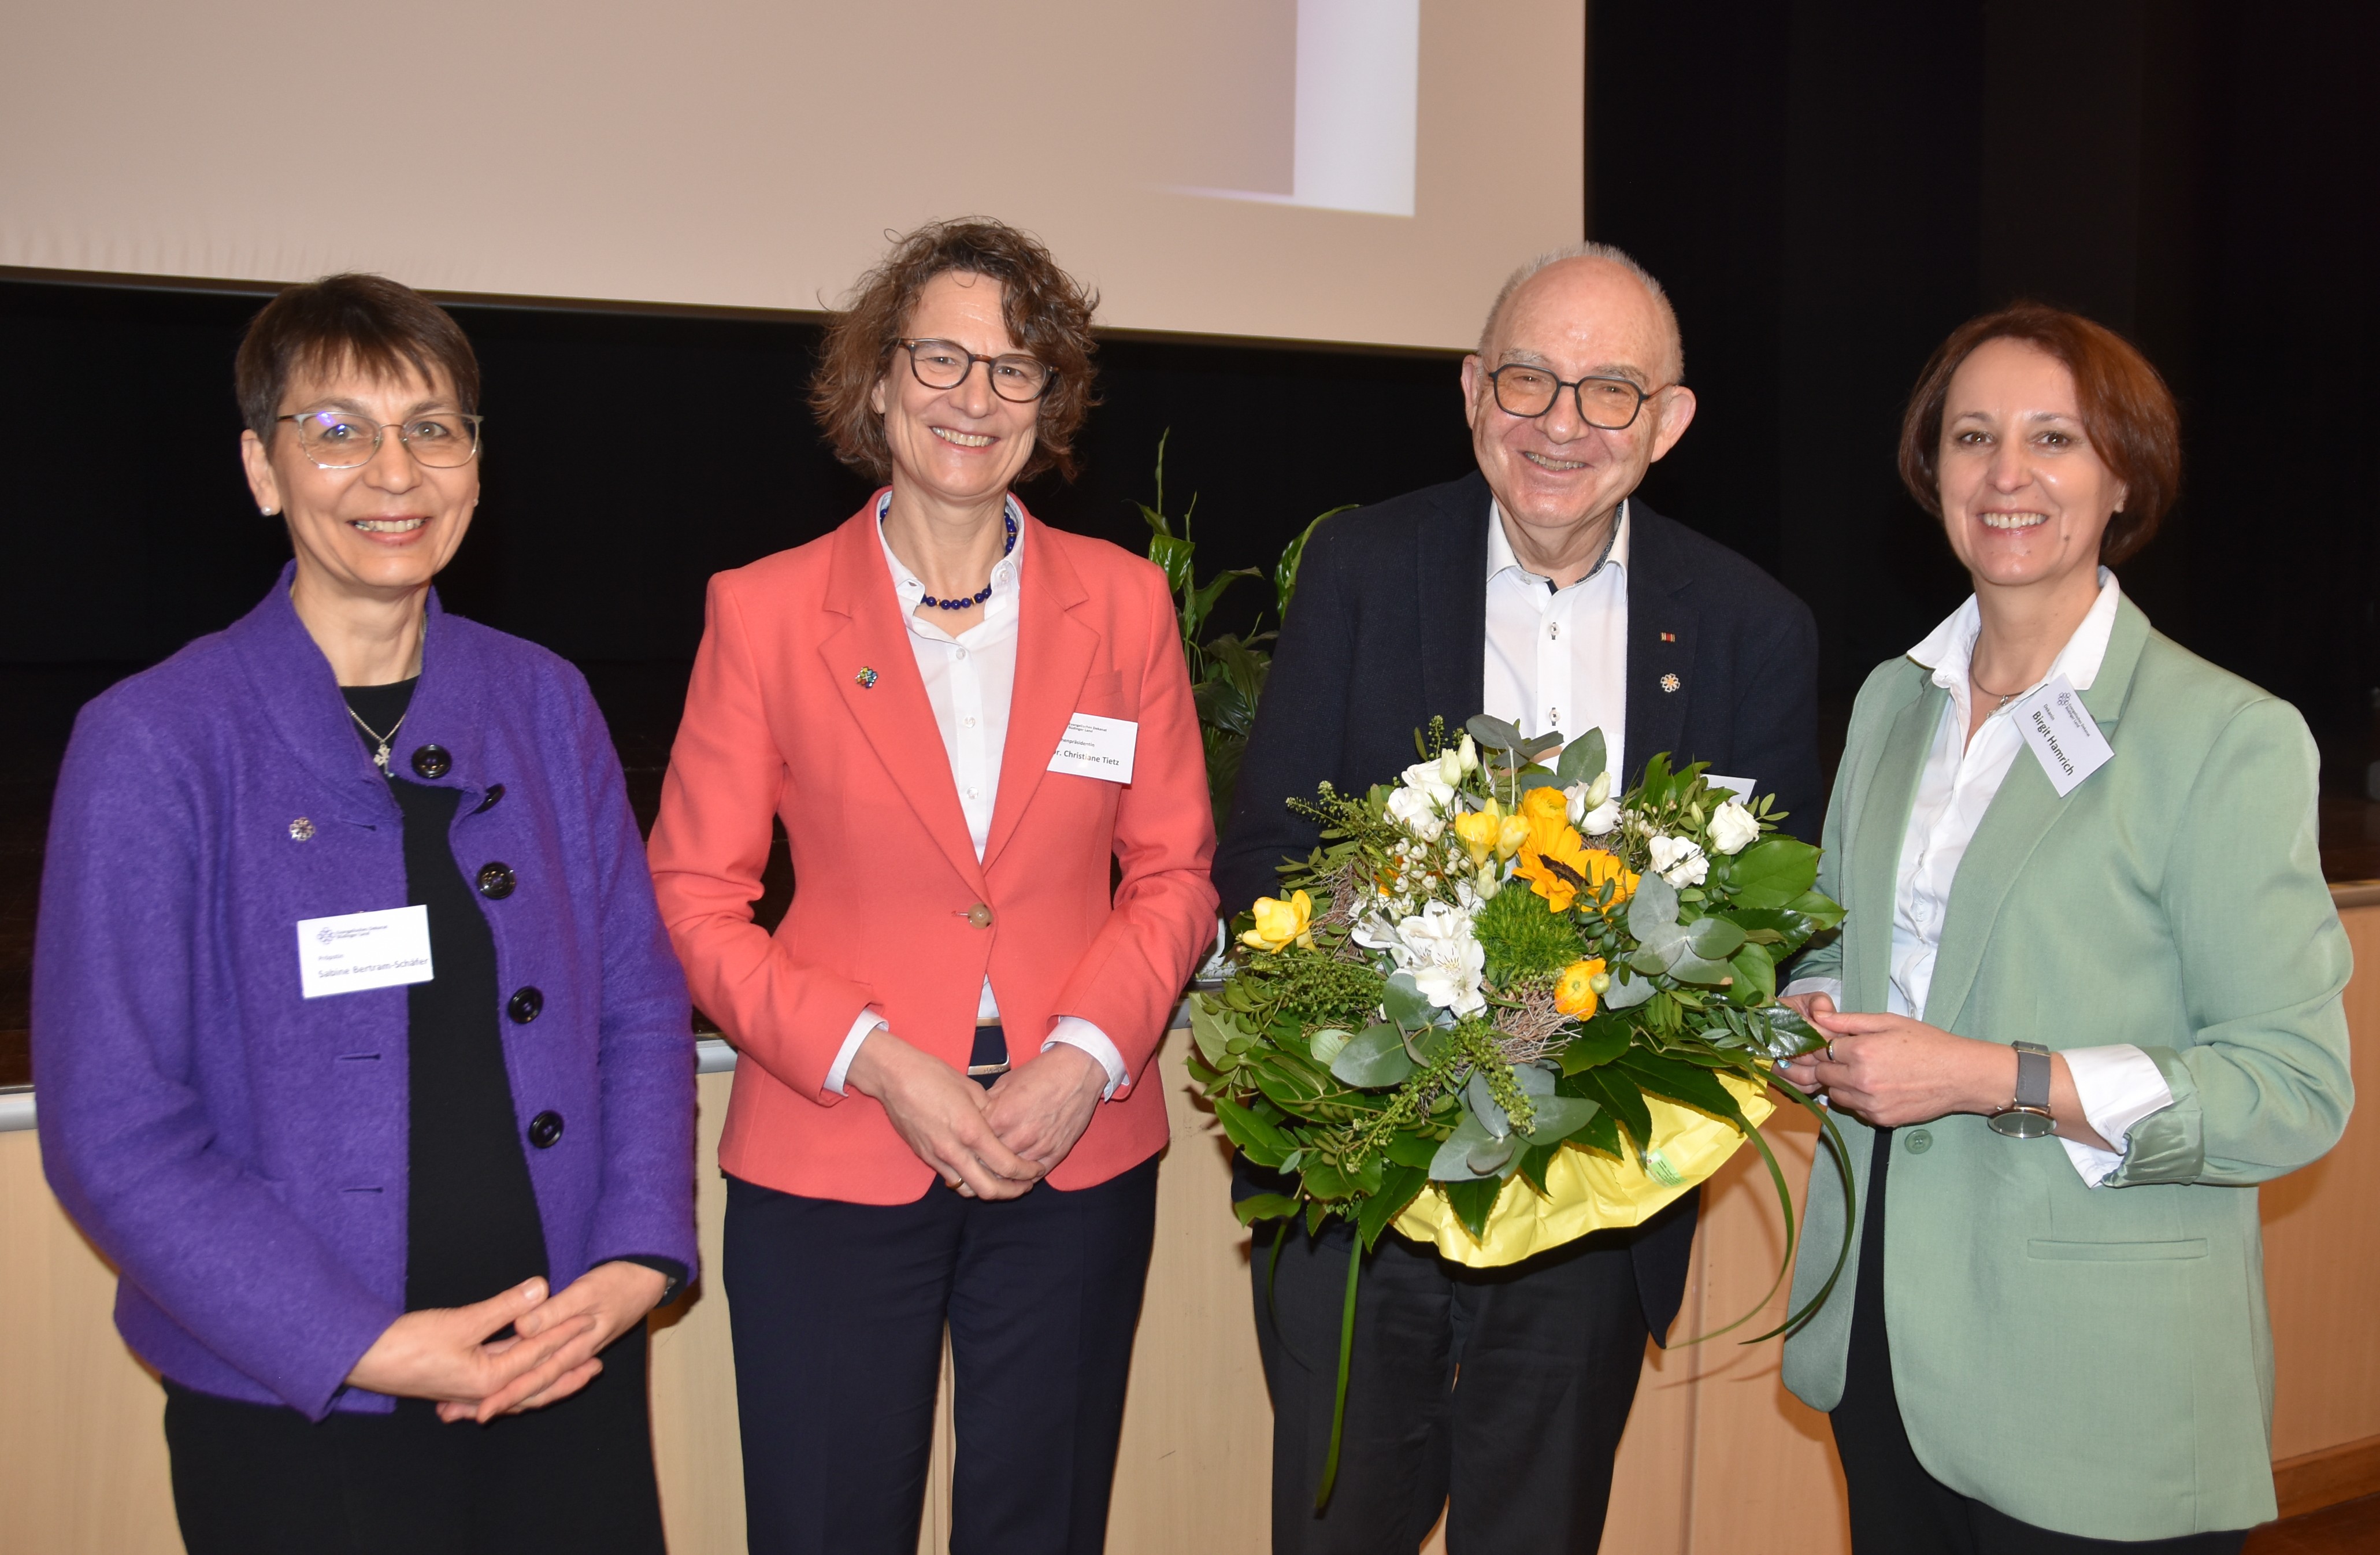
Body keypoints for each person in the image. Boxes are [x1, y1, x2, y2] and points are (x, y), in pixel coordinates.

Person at [32, 273, 698, 1554]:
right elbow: (114, 1130)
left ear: (475, 467)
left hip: (565, 1362)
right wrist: (364, 1345)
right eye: (338, 430)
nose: (394, 472)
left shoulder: (543, 701)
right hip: (300, 1405)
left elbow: (635, 1004)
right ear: (262, 467)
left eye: (432, 429)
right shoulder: (154, 742)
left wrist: (630, 1263)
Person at [1214, 242, 1822, 1552]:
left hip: (1591, 1210)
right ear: (1471, 389)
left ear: (1667, 421)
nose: (1560, 423)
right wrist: (1377, 1017)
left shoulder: (1748, 625)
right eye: (1527, 379)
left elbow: (1759, 935)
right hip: (1365, 1188)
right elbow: (1266, 851)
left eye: (1609, 391)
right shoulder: (1362, 567)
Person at [646, 218, 1218, 1555]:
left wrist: (1080, 1058)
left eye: (1014, 368)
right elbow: (693, 896)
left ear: (1048, 402)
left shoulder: (1125, 606)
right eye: (941, 358)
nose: (975, 396)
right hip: (837, 1138)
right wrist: (880, 1060)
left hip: (1070, 1150)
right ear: (879, 380)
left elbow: (1175, 873)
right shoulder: (765, 611)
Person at [1774, 303, 2352, 1552]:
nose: (2006, 474)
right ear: (1931, 471)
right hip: (1882, 1332)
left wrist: (1992, 1077)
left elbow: (2289, 1092)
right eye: (1971, 436)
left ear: (2122, 477)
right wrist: (1802, 1016)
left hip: (2098, 1380)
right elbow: (1843, 947)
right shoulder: (1890, 703)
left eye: (2054, 438)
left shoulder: (2226, 737)